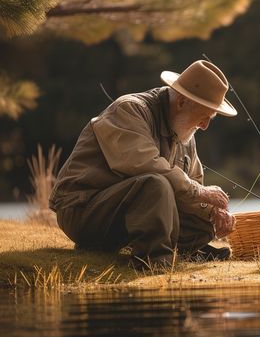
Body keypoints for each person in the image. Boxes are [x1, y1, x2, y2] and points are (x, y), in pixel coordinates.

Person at [49, 60, 237, 268]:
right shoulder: (129, 109)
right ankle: (153, 260)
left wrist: (212, 211)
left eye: (210, 118)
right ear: (182, 102)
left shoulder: (186, 133)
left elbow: (191, 188)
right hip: (82, 210)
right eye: (204, 117)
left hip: (130, 208)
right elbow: (144, 164)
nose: (204, 126)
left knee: (202, 215)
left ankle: (187, 250)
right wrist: (199, 192)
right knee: (156, 185)